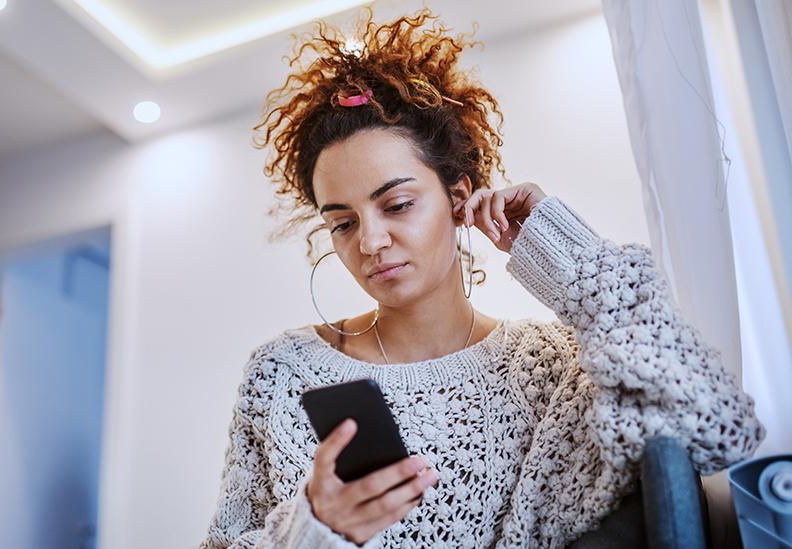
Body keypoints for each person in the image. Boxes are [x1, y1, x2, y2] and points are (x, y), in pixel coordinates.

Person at [199, 7, 765, 548]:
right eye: (342, 222)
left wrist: (567, 254)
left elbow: (716, 427)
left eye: (396, 205)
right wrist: (314, 529)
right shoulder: (280, 375)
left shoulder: (555, 367)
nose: (369, 242)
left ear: (459, 197)